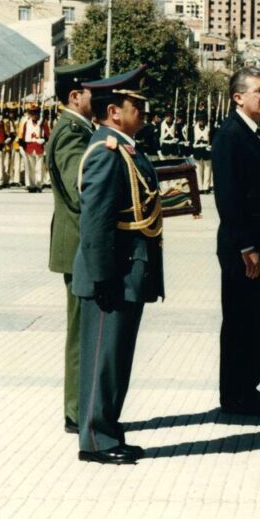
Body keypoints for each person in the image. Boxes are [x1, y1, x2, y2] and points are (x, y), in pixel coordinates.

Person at [72, 65, 163, 465]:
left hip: (128, 268)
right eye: (135, 106)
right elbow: (95, 221)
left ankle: (109, 429)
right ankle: (95, 440)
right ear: (114, 112)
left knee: (117, 359)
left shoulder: (124, 146)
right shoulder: (106, 151)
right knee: (103, 360)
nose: (143, 113)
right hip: (113, 272)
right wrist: (103, 275)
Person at [211, 67, 260, 416]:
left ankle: (248, 389)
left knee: (258, 323)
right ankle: (234, 395)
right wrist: (247, 247)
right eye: (259, 90)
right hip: (247, 249)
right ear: (238, 97)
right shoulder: (231, 135)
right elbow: (229, 198)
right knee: (242, 323)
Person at [46, 58, 103, 435]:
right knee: (82, 333)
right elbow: (80, 188)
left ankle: (81, 405)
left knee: (85, 330)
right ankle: (76, 409)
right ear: (74, 96)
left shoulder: (82, 129)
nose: (97, 98)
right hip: (79, 246)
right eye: (92, 92)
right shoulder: (70, 133)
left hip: (80, 244)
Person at [22, 103, 50, 192]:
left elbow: (48, 135)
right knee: (30, 167)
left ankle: (38, 185)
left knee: (39, 167)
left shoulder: (43, 123)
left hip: (39, 147)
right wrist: (24, 145)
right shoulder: (26, 122)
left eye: (35, 113)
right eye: (32, 113)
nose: (34, 115)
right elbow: (22, 134)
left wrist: (43, 140)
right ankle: (31, 185)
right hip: (29, 146)